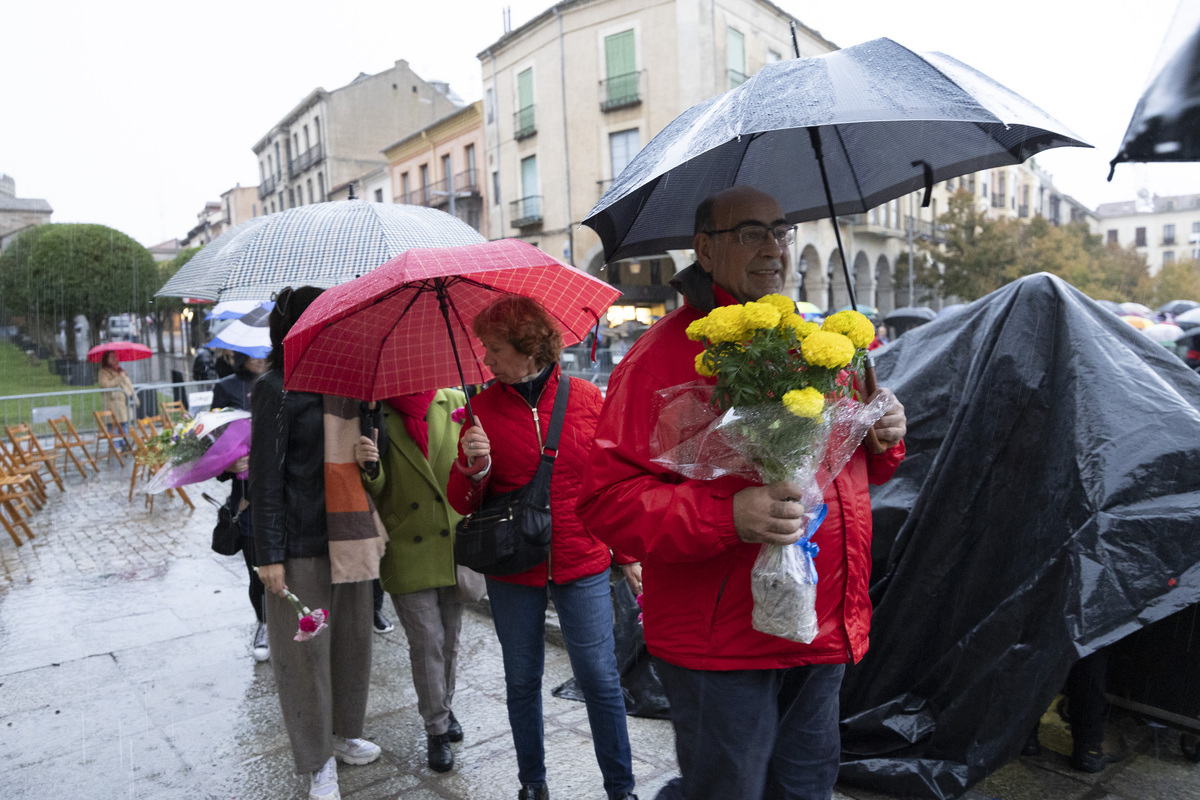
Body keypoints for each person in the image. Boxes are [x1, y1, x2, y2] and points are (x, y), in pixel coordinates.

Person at [576, 186, 908, 800]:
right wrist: (729, 516)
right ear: (704, 249)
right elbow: (608, 503)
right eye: (751, 233)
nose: (774, 248)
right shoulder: (658, 359)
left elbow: (849, 478)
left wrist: (881, 435)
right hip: (721, 647)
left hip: (819, 629)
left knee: (806, 790)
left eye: (781, 231)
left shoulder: (815, 347)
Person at [446, 295, 640, 800]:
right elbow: (462, 501)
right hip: (513, 567)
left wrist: (626, 554)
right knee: (522, 679)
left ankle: (621, 787)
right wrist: (475, 467)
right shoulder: (478, 411)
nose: (486, 360)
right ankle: (533, 782)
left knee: (600, 679)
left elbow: (610, 484)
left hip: (583, 559)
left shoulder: (585, 399)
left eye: (494, 349)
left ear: (528, 349)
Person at [250, 286, 381, 800]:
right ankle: (316, 760)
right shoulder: (275, 388)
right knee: (303, 657)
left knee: (352, 643)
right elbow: (265, 479)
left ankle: (345, 733)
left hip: (349, 537)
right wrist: (269, 558)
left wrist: (373, 455)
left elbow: (370, 468)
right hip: (300, 543)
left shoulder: (351, 388)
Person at [355, 389, 469, 773]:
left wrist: (480, 459)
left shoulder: (455, 402)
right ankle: (436, 728)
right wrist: (370, 467)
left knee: (450, 640)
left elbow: (478, 470)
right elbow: (377, 488)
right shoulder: (374, 413)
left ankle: (445, 707)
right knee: (427, 643)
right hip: (407, 544)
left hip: (453, 540)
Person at [211, 352, 269, 662]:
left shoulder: (284, 381)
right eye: (253, 353)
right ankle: (264, 624)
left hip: (286, 491)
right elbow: (214, 442)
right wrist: (229, 466)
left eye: (264, 351)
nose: (259, 358)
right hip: (247, 496)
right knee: (257, 570)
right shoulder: (227, 388)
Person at [97, 350, 134, 449]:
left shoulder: (120, 370)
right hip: (112, 404)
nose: (114, 358)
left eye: (115, 356)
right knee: (113, 426)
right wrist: (119, 377)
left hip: (123, 404)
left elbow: (128, 384)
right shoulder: (103, 372)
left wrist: (123, 377)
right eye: (111, 357)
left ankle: (125, 445)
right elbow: (105, 385)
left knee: (124, 425)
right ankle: (115, 447)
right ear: (106, 359)